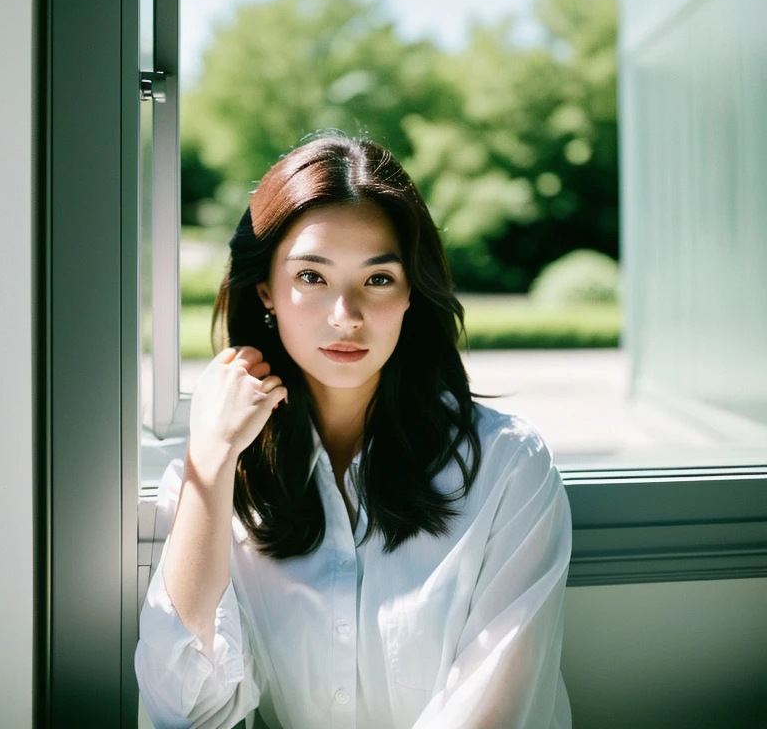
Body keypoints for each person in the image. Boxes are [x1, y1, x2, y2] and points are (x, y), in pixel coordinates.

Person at [136, 133, 572, 729]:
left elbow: (491, 715)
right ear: (266, 289)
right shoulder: (215, 480)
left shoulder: (507, 466)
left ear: (412, 291)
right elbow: (185, 712)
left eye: (379, 279)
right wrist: (209, 463)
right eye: (311, 277)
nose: (347, 316)